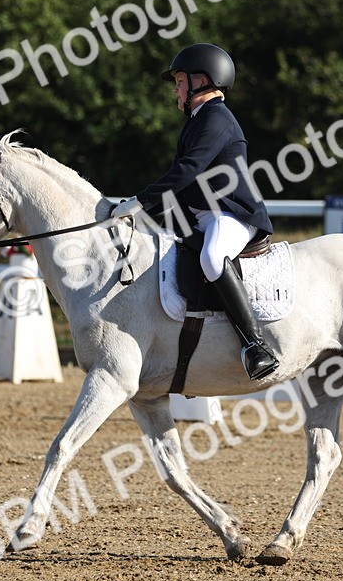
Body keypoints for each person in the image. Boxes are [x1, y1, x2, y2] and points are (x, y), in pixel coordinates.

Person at [111, 43, 279, 380]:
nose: (175, 89)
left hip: (232, 215)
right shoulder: (196, 121)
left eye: (179, 81)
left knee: (212, 258)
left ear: (201, 80)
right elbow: (183, 183)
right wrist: (147, 215)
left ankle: (255, 345)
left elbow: (187, 169)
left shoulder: (217, 118)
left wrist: (142, 200)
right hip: (201, 216)